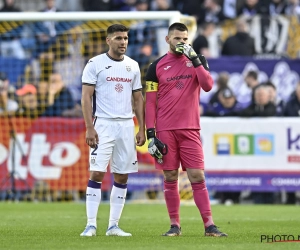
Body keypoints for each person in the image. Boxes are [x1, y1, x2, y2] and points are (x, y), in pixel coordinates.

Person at [145, 22, 227, 237]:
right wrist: (150, 134)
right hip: (165, 129)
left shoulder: (198, 61)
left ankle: (209, 226)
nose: (181, 42)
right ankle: (175, 226)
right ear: (167, 40)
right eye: (177, 38)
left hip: (190, 128)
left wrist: (195, 59)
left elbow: (208, 86)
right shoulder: (156, 66)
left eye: (184, 39)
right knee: (170, 176)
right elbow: (150, 103)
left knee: (197, 176)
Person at [80, 24, 145, 237]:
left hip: (126, 125)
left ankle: (113, 226)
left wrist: (141, 128)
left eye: (125, 38)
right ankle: (91, 225)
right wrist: (89, 127)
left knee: (122, 176)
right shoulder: (95, 64)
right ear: (108, 40)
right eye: (118, 38)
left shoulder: (133, 66)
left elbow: (138, 99)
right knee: (97, 172)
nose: (123, 42)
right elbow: (86, 97)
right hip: (103, 124)